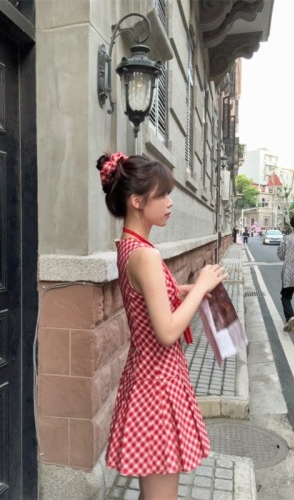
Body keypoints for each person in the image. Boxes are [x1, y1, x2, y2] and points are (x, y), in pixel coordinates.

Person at [96, 152, 228, 500]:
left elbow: (148, 297)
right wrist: (199, 287)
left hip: (146, 378)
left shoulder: (129, 246)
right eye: (162, 195)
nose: (170, 203)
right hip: (158, 384)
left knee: (153, 492)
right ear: (137, 201)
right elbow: (167, 332)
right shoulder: (146, 255)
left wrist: (181, 291)